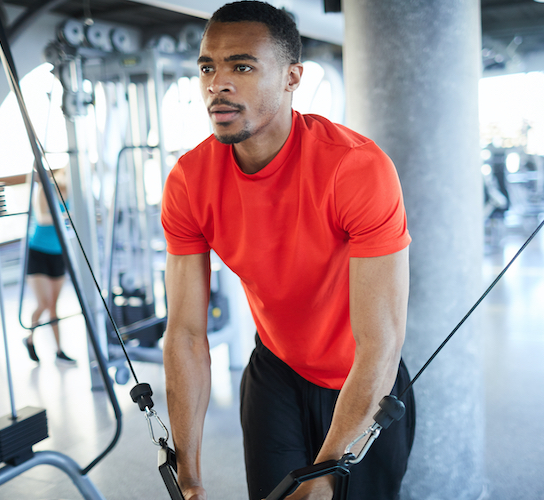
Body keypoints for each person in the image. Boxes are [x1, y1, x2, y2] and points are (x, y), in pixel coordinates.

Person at [160, 2, 414, 499]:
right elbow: (187, 333)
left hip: (364, 376)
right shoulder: (189, 181)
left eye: (242, 65)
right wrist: (187, 478)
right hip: (276, 372)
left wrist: (326, 472)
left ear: (291, 77)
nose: (218, 83)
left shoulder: (355, 168)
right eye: (208, 67)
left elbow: (381, 345)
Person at [23, 169, 76, 364]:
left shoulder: (68, 192)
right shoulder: (44, 191)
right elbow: (42, 218)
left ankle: (59, 350)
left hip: (57, 253)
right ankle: (29, 338)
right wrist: (65, 217)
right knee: (44, 304)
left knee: (54, 306)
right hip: (39, 252)